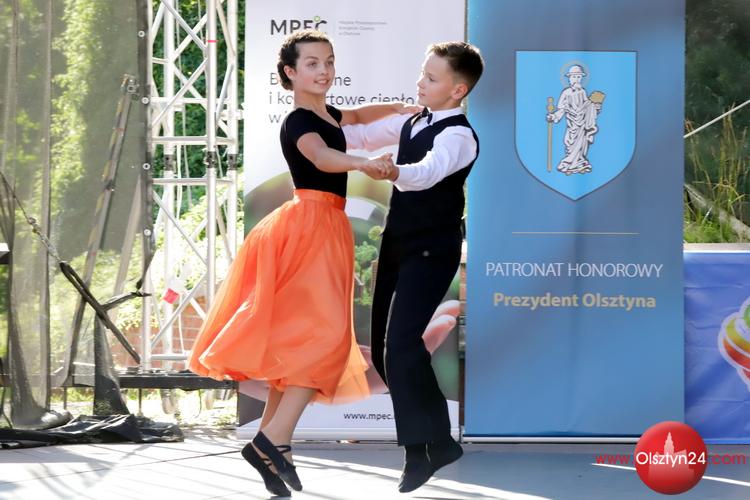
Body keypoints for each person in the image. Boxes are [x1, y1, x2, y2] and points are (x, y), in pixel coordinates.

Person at [187, 29, 410, 496]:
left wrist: (397, 109)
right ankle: (271, 441)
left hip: (326, 226)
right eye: (312, 64)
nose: (324, 71)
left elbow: (356, 116)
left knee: (304, 340)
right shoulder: (298, 122)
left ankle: (275, 446)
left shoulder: (327, 113)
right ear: (290, 73)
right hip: (310, 227)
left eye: (328, 62)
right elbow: (323, 158)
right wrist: (363, 162)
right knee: (323, 338)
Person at [343, 41, 484, 493]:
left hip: (432, 249)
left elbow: (426, 172)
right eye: (423, 73)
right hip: (398, 244)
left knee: (402, 347)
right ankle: (439, 442)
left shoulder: (459, 136)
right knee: (389, 354)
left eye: (431, 78)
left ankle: (419, 451)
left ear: (458, 90)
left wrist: (392, 172)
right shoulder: (412, 119)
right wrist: (313, 118)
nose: (420, 83)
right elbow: (360, 136)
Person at [546, 64, 603, 175]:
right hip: (572, 124)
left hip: (582, 124)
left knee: (582, 145)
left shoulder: (582, 92)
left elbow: (586, 106)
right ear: (569, 78)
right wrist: (554, 116)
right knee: (571, 144)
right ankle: (568, 164)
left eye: (578, 77)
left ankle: (579, 163)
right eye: (574, 76)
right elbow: (561, 109)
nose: (576, 79)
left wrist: (595, 107)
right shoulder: (566, 93)